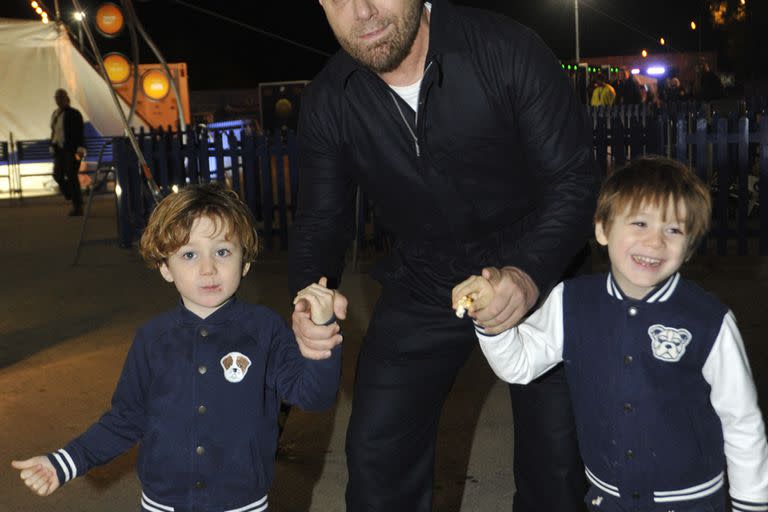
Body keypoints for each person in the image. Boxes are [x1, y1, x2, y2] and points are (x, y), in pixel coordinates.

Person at [289, 0, 598, 510]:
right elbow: (322, 220)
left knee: (557, 465)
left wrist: (526, 276)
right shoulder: (330, 98)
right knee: (376, 454)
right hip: (424, 276)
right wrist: (308, 291)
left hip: (539, 270)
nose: (362, 11)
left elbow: (572, 180)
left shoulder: (507, 51)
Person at [455, 156, 768, 512]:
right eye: (640, 223)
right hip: (607, 500)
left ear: (690, 246)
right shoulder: (570, 302)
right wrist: (491, 318)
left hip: (690, 501)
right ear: (603, 229)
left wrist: (752, 505)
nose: (654, 242)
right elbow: (520, 365)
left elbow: (741, 423)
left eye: (674, 230)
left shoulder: (709, 321)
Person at [11, 183, 342, 512]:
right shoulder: (151, 339)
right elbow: (126, 418)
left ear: (245, 261)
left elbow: (315, 396)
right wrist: (64, 461)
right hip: (162, 503)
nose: (208, 268)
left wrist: (322, 337)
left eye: (223, 251)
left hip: (241, 503)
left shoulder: (265, 330)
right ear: (165, 267)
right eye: (189, 254)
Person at [50, 89, 86, 216]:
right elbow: (54, 132)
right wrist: (52, 145)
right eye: (57, 97)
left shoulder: (74, 113)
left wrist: (80, 149)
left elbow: (80, 133)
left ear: (66, 99)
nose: (58, 100)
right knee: (57, 174)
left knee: (71, 175)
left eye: (61, 97)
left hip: (72, 150)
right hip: (60, 150)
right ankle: (71, 194)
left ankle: (77, 206)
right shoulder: (55, 114)